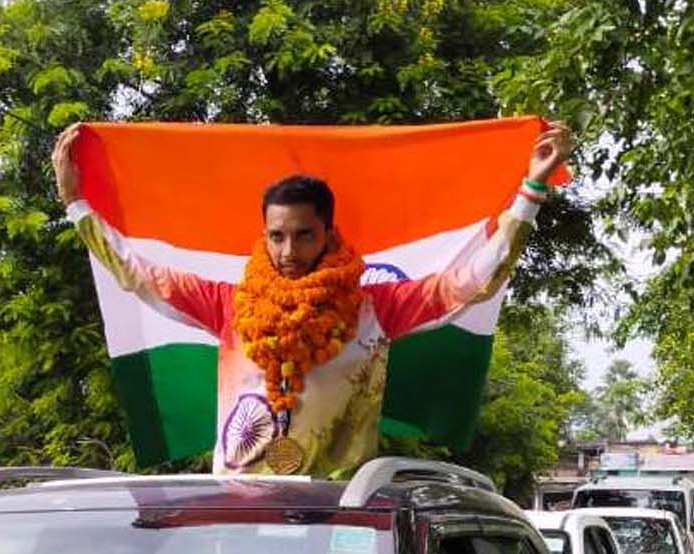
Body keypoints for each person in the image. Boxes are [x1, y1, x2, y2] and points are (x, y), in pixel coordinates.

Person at [53, 121, 573, 476]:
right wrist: (76, 204)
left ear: (327, 232)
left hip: (341, 514)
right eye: (277, 236)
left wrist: (529, 191)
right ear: (263, 234)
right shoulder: (230, 305)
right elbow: (139, 274)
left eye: (304, 235)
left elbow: (468, 283)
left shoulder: (375, 309)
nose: (288, 249)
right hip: (239, 506)